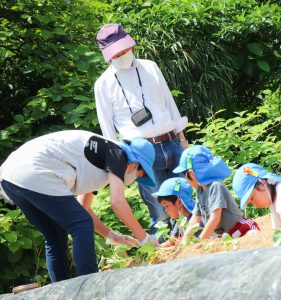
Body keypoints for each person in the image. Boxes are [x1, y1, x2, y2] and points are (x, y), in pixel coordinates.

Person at [0, 130, 157, 282]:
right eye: (140, 174)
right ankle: (89, 287)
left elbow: (83, 209)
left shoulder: (101, 159)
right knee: (80, 225)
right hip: (35, 172)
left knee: (56, 234)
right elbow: (117, 202)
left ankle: (61, 292)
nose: (135, 179)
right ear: (134, 163)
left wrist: (112, 236)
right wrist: (145, 239)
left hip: (9, 177)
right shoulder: (117, 154)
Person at [94, 23, 189, 237]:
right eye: (116, 53)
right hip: (141, 153)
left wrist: (182, 139)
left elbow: (169, 102)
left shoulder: (150, 66)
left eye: (124, 50)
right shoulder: (103, 84)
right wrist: (118, 166)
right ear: (106, 55)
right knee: (158, 209)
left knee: (185, 198)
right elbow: (107, 130)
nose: (121, 55)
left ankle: (194, 243)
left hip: (172, 142)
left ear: (131, 46)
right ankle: (161, 254)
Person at [173, 145, 259, 240]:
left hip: (241, 229)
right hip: (225, 235)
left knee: (252, 236)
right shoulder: (200, 192)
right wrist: (185, 240)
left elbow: (215, 218)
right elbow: (195, 220)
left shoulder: (216, 186)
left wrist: (200, 240)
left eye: (184, 175)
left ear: (191, 174)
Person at [152, 177, 202, 247]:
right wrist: (158, 248)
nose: (165, 210)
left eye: (166, 206)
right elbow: (172, 240)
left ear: (179, 202)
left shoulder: (196, 220)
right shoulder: (179, 220)